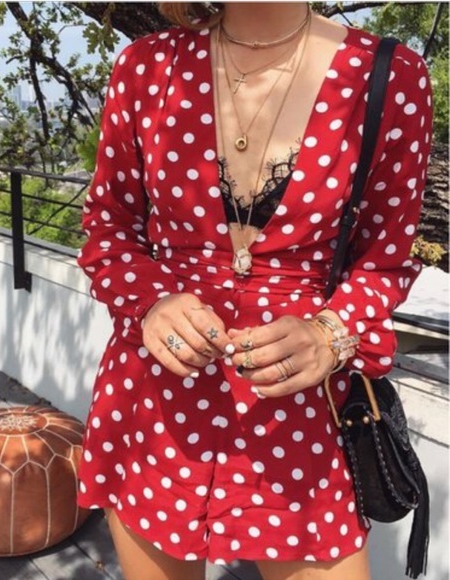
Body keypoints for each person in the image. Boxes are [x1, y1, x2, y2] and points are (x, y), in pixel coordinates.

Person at [76, 2, 433, 579]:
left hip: (299, 409)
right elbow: (108, 226)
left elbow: (385, 260)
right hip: (156, 400)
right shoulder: (147, 67)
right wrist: (152, 302)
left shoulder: (389, 75)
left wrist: (330, 333)